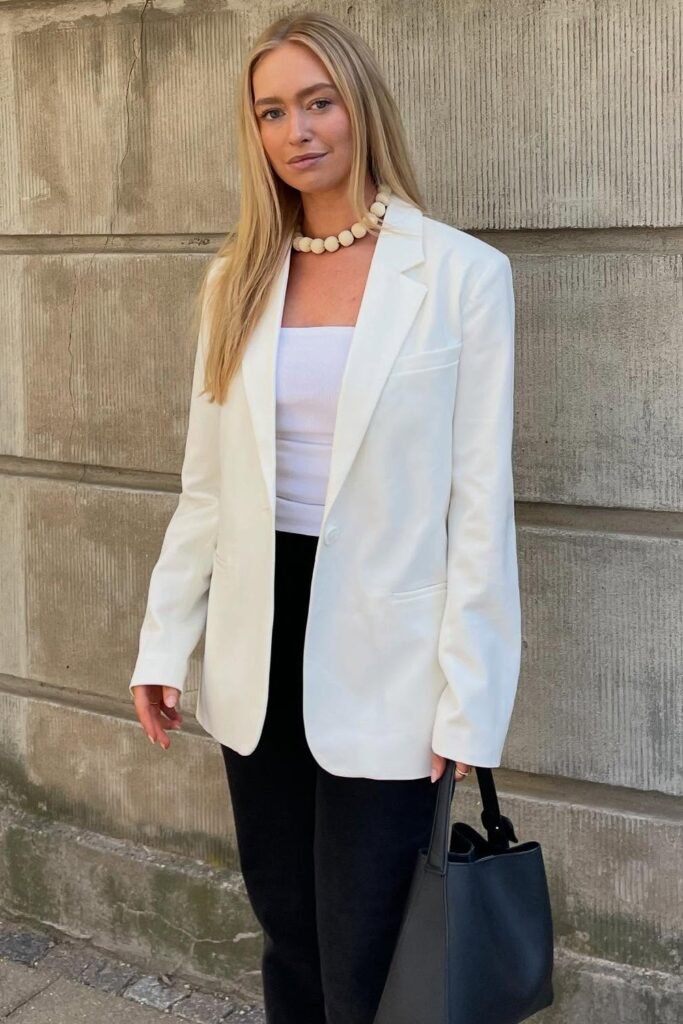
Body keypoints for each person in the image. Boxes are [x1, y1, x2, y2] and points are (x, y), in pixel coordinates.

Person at [129, 10, 521, 1024]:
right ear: (253, 131)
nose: (297, 130)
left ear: (358, 108)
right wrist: (164, 644)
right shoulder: (236, 279)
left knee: (370, 946)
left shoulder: (462, 278)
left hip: (388, 655)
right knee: (289, 932)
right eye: (271, 111)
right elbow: (205, 486)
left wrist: (468, 701)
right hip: (261, 636)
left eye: (317, 101)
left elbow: (477, 506)